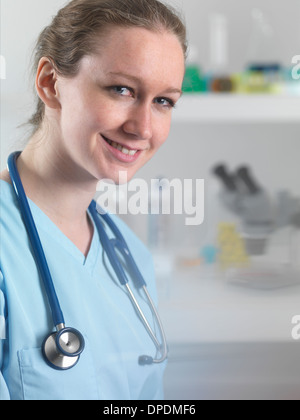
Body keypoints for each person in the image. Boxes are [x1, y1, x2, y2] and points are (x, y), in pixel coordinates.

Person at [0, 0, 187, 400]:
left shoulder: (130, 257)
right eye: (121, 89)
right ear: (50, 83)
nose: (142, 127)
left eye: (163, 101)